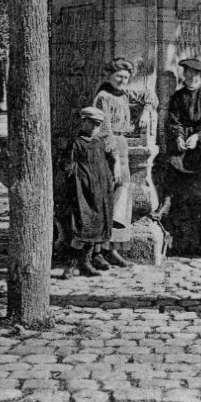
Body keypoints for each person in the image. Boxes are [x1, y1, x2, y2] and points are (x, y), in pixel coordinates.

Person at [152, 57, 201, 219]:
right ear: (184, 76)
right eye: (189, 74)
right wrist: (179, 137)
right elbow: (175, 120)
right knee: (172, 152)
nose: (192, 78)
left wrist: (197, 136)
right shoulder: (178, 96)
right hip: (184, 134)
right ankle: (166, 201)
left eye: (196, 75)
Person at [93, 56, 149, 268]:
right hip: (109, 151)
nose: (123, 81)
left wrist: (146, 109)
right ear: (110, 75)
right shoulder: (103, 96)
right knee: (107, 199)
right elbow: (104, 129)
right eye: (119, 76)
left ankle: (114, 248)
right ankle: (99, 251)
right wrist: (114, 158)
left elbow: (150, 96)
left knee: (121, 200)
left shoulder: (123, 94)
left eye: (126, 77)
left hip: (122, 147)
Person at [59, 106, 114, 278]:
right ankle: (72, 264)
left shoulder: (98, 143)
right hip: (82, 192)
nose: (95, 128)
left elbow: (104, 167)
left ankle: (87, 261)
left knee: (97, 226)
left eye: (98, 125)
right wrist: (74, 176)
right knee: (82, 227)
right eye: (92, 123)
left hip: (99, 193)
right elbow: (66, 166)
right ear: (83, 121)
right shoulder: (76, 143)